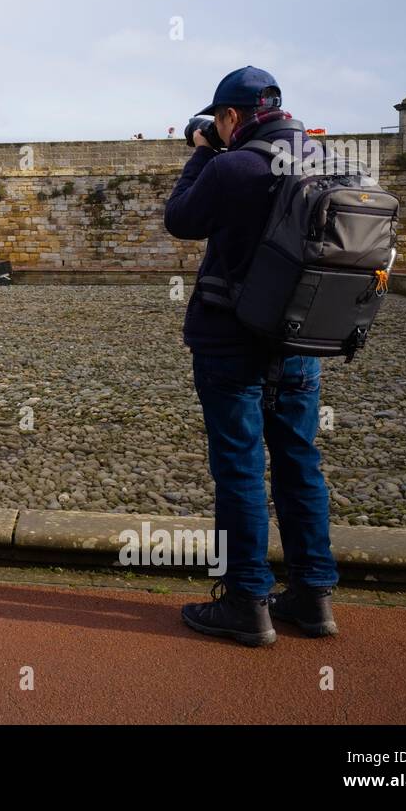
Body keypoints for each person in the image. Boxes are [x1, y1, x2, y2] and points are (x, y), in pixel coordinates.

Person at [164, 66, 338, 647]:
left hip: (232, 345)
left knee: (240, 469)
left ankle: (247, 601)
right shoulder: (320, 159)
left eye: (218, 119)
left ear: (232, 117)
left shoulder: (234, 165)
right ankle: (313, 599)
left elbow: (180, 218)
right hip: (298, 342)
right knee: (299, 462)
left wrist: (203, 154)